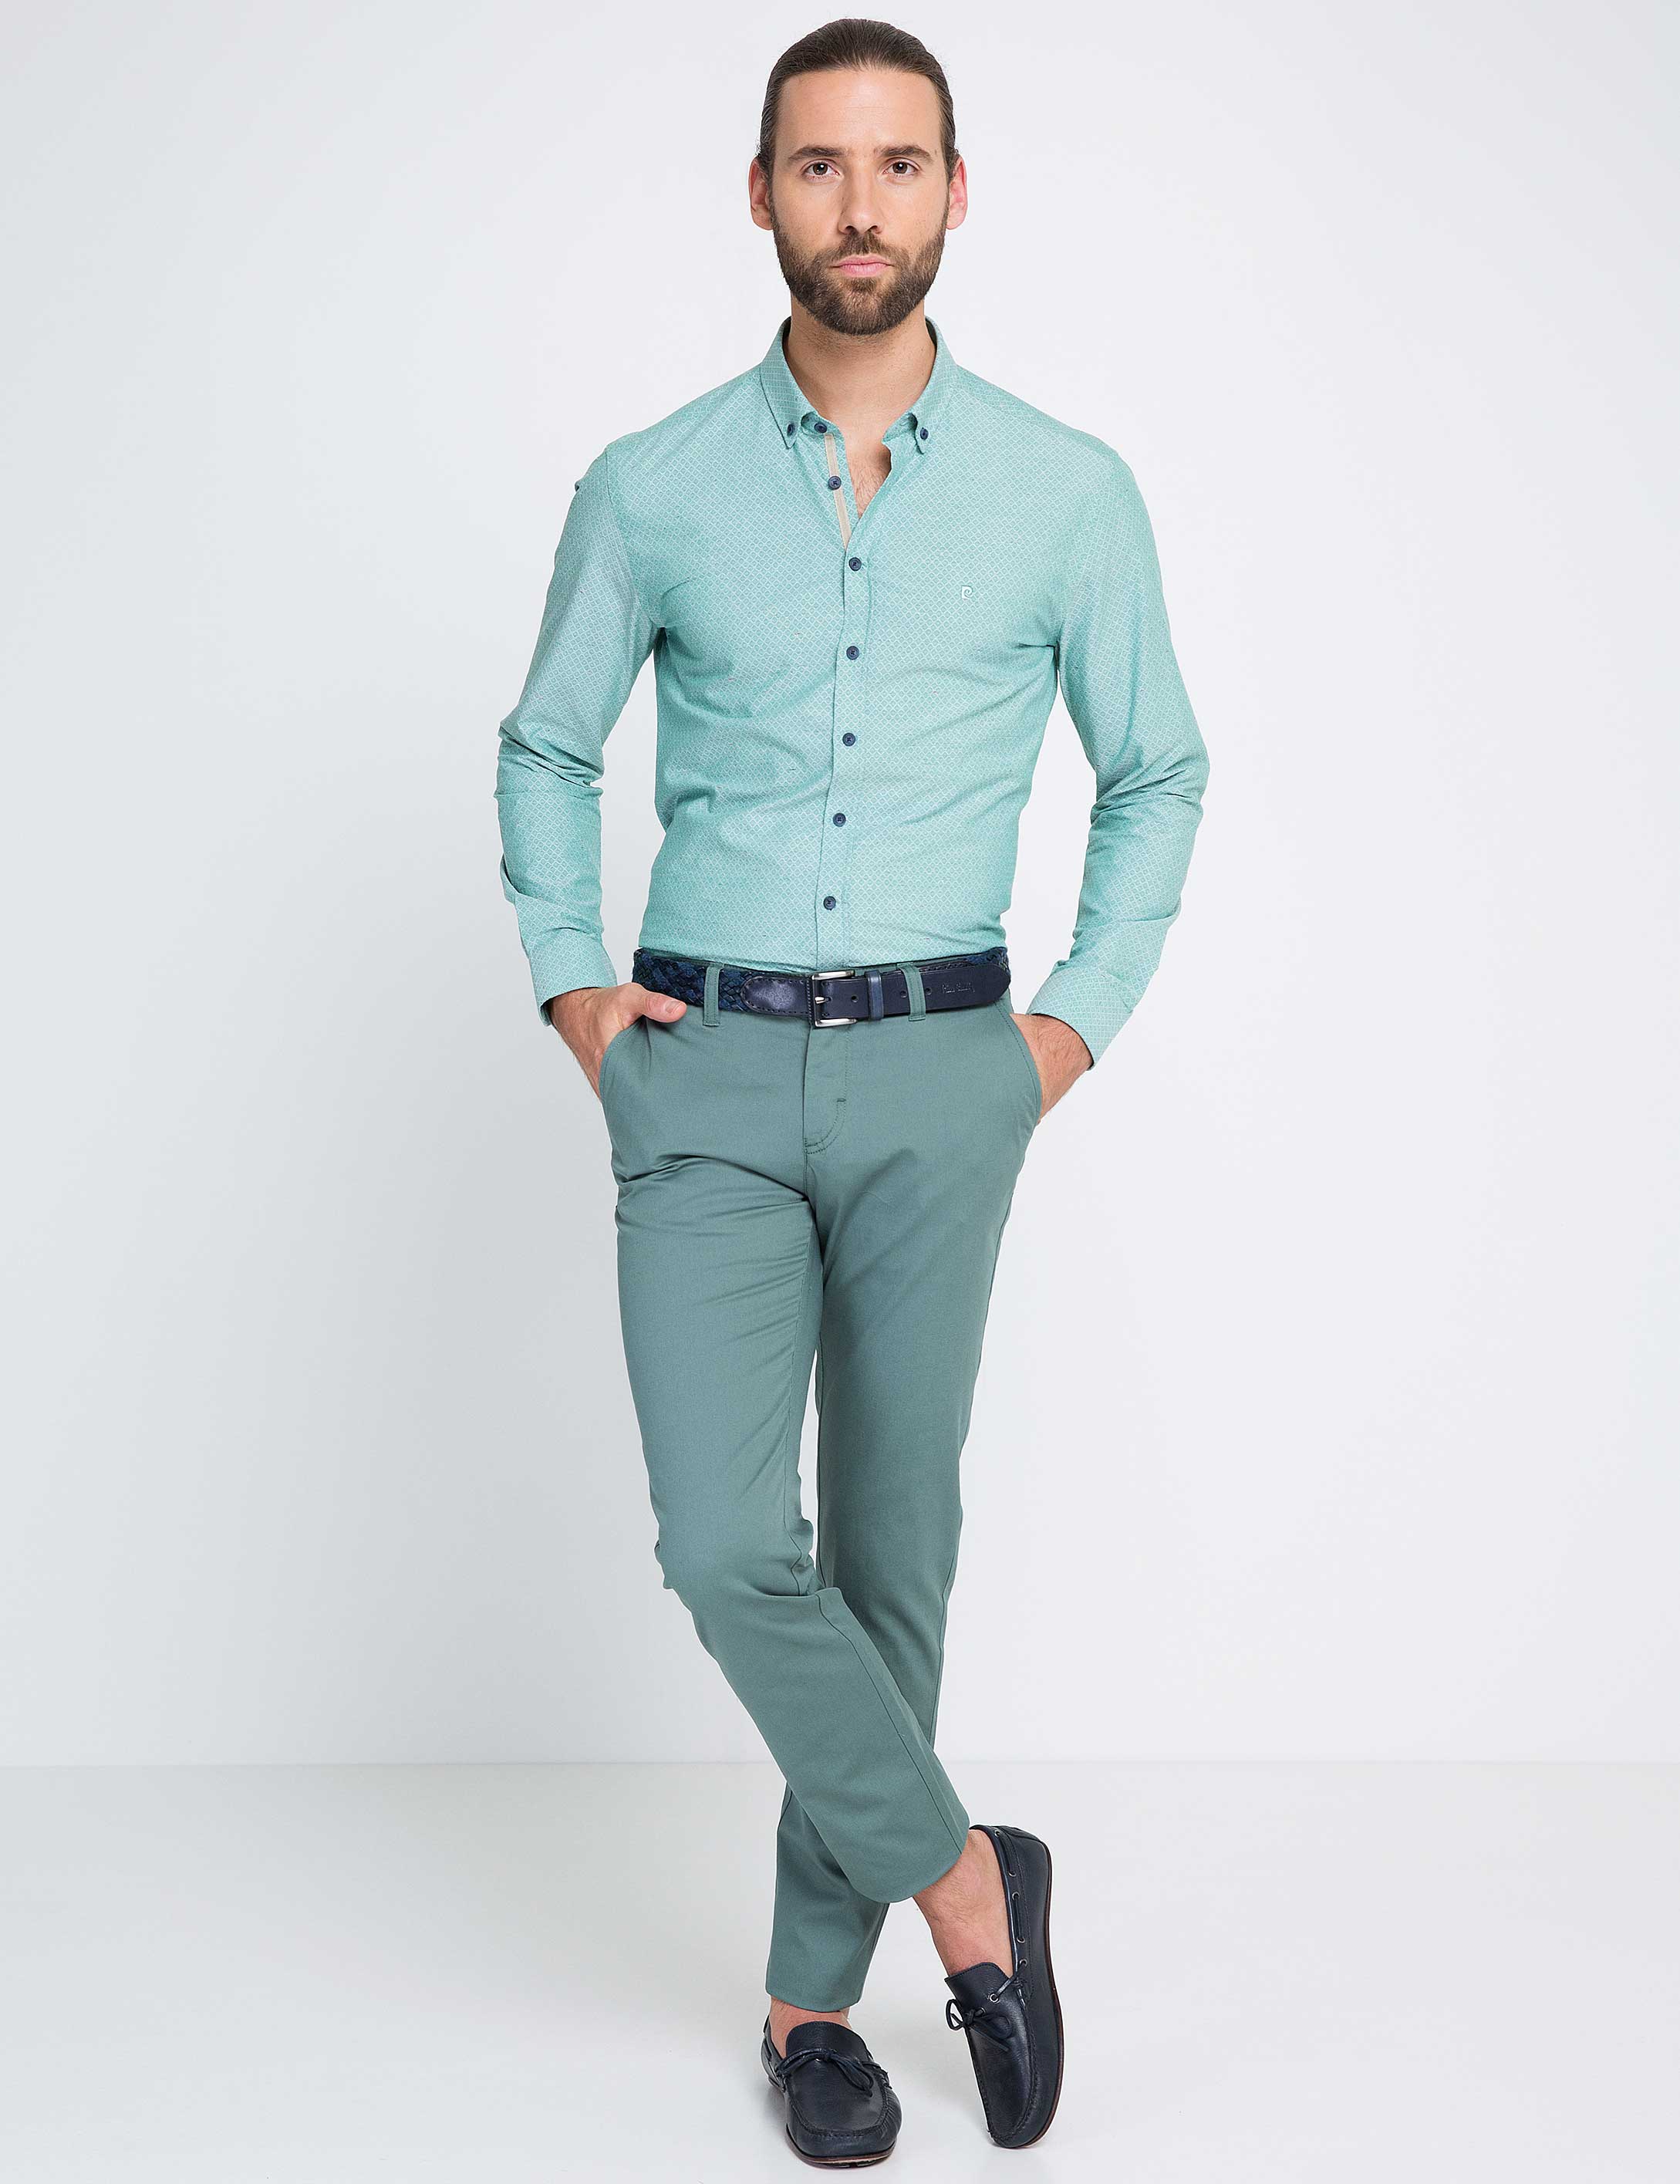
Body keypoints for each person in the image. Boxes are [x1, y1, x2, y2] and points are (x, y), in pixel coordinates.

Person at [495, 17, 1208, 2163]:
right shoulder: (652, 485)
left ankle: (812, 2006)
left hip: (941, 1069)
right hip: (701, 1071)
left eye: (900, 165)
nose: (861, 205)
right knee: (729, 1544)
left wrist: (1064, 1029)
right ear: (761, 194)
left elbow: (1157, 770)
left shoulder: (1067, 493)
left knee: (895, 1551)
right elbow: (547, 742)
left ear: (955, 193)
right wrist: (575, 990)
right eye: (820, 165)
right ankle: (973, 1888)